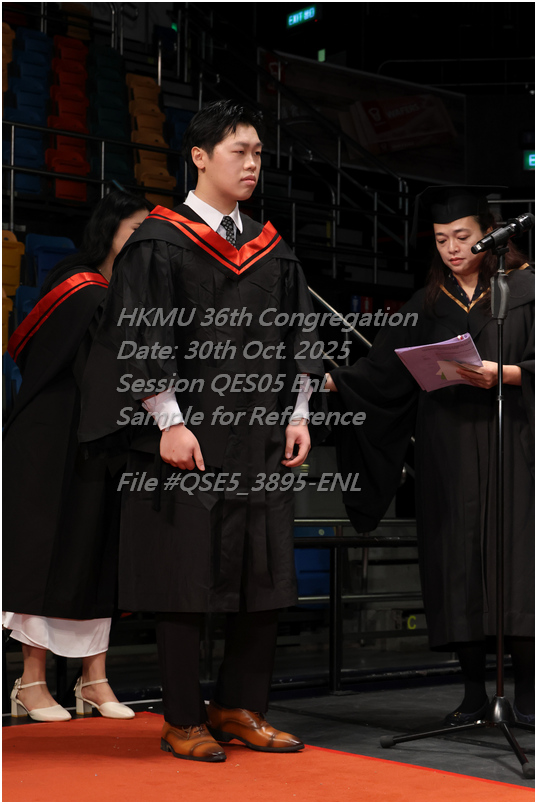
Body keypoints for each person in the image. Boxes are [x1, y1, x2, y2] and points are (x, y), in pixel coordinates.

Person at [78, 100, 328, 761]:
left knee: (262, 575)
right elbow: (138, 332)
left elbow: (299, 331)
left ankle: (240, 707)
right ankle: (183, 718)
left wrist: (298, 412)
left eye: (257, 153)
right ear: (198, 156)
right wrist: (168, 421)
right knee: (183, 576)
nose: (252, 164)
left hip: (260, 436)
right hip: (188, 437)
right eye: (238, 151)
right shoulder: (159, 242)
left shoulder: (270, 246)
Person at [326, 185, 534, 725]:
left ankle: (528, 697)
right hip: (447, 450)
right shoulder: (428, 302)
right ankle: (472, 694)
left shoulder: (527, 290)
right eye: (442, 240)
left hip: (513, 442)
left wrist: (504, 374)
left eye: (463, 237)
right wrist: (336, 382)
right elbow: (383, 371)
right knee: (455, 564)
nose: (452, 249)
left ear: (490, 235)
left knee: (515, 564)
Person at [3, 189, 151, 722]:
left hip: (104, 438)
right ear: (109, 232)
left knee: (97, 551)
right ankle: (30, 682)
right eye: (135, 231)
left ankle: (94, 680)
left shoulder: (134, 296)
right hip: (52, 436)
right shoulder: (79, 287)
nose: (143, 242)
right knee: (45, 552)